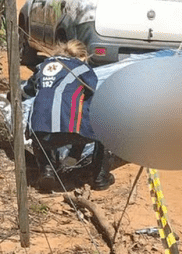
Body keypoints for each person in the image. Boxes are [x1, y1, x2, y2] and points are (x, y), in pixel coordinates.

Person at [22, 40, 114, 193]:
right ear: (83, 56)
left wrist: (10, 96)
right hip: (72, 131)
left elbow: (26, 92)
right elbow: (91, 96)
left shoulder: (42, 66)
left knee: (41, 117)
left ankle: (47, 170)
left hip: (40, 132)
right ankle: (100, 178)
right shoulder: (83, 68)